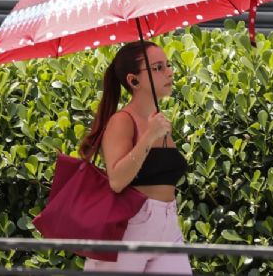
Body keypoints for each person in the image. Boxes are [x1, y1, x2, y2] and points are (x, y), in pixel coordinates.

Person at [78, 40, 192, 274]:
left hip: (168, 226)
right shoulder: (122, 121)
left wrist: (154, 132)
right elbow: (117, 180)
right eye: (158, 67)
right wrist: (149, 137)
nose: (169, 72)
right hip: (130, 226)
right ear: (133, 80)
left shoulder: (160, 122)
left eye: (168, 65)